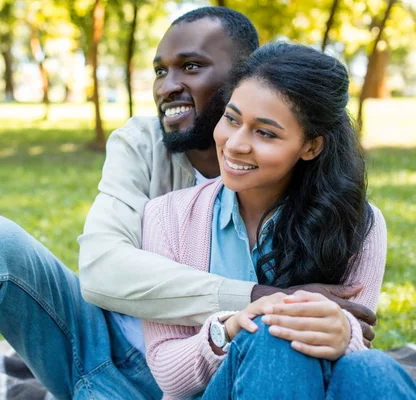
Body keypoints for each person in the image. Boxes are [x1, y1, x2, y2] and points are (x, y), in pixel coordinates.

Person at [0, 8, 373, 400]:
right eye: (161, 70)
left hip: (205, 377)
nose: (170, 86)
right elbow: (100, 271)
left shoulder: (336, 215)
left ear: (246, 78)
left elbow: (353, 336)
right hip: (94, 347)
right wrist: (262, 296)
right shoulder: (140, 144)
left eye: (191, 67)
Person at [140, 42, 416, 399]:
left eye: (265, 133)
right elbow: (167, 375)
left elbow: (354, 358)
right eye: (232, 118)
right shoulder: (167, 217)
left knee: (373, 369)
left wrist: (345, 335)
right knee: (272, 334)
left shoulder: (359, 223)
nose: (235, 144)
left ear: (311, 146)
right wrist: (232, 327)